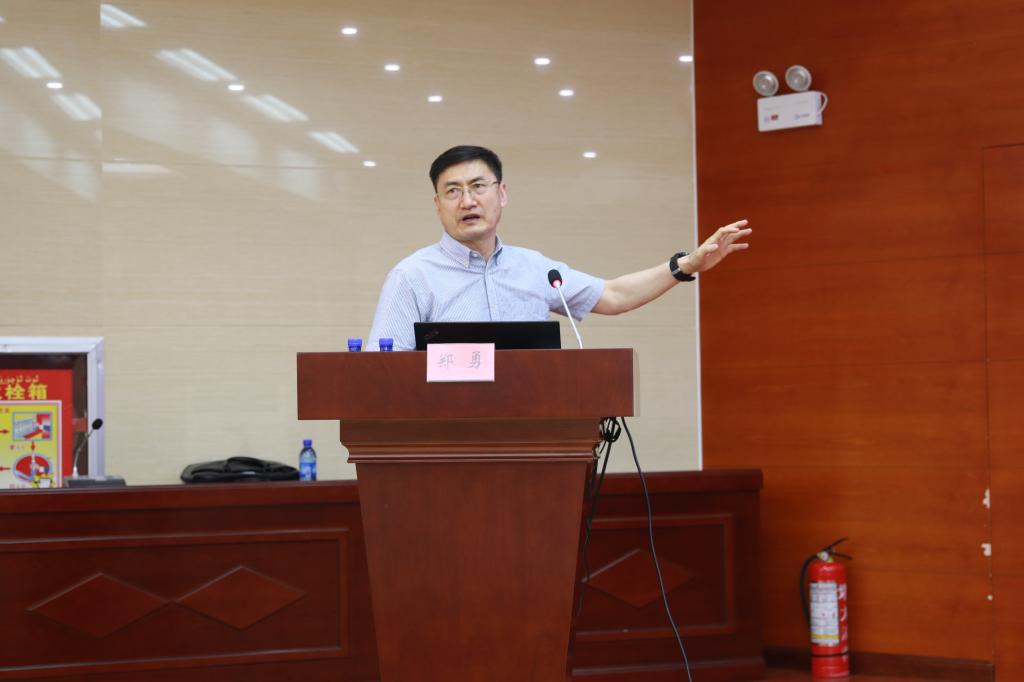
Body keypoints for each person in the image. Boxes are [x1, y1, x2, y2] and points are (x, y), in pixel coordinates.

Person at [367, 145, 751, 350]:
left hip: (532, 434)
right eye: (453, 191)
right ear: (438, 205)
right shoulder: (412, 276)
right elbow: (382, 368)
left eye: (478, 187)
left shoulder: (535, 269)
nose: (467, 201)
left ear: (502, 194)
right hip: (446, 440)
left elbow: (613, 295)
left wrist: (687, 265)